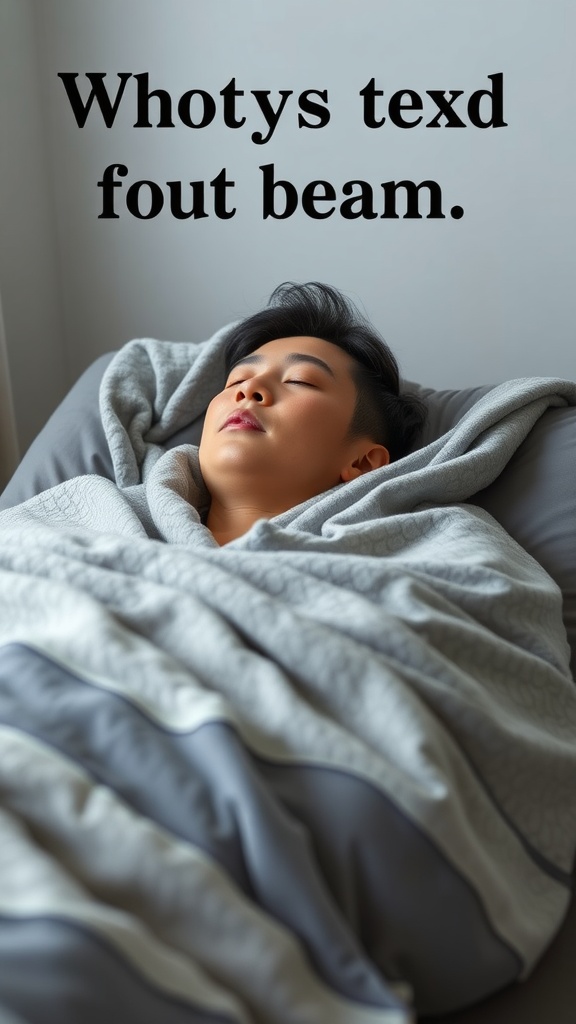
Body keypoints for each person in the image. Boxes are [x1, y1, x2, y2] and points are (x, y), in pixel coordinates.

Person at [198, 282, 426, 545]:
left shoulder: (424, 543)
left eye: (299, 380)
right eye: (236, 381)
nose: (249, 388)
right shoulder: (140, 524)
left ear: (363, 463)